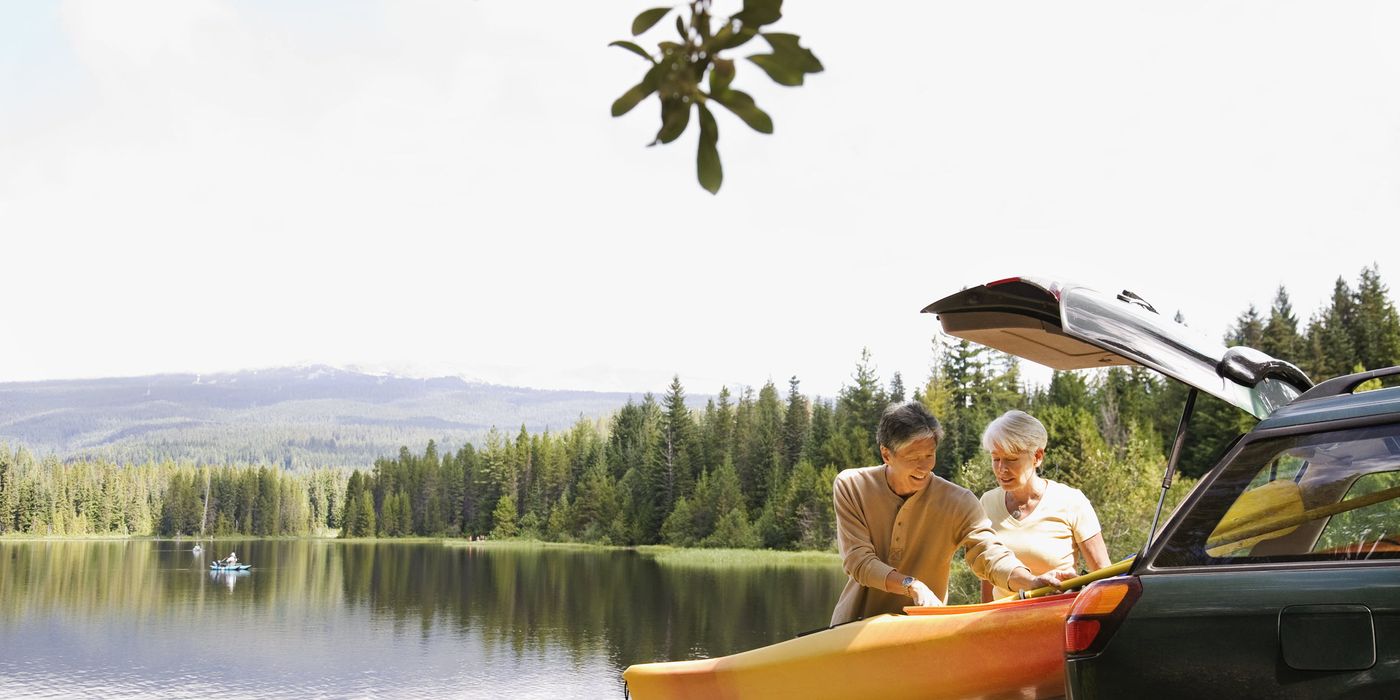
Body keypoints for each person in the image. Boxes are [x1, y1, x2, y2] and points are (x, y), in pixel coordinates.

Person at [831, 401, 1074, 625]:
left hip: (922, 632)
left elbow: (990, 554)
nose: (924, 466)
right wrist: (911, 585)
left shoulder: (959, 501)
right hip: (853, 629)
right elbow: (859, 561)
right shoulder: (852, 485)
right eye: (914, 457)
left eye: (930, 455)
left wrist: (1030, 581)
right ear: (886, 454)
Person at [978, 410, 1111, 602]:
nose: (1001, 469)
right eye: (995, 459)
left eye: (1011, 459)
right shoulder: (987, 502)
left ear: (1037, 456)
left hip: (1058, 614)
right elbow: (988, 574)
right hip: (1003, 617)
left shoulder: (1072, 501)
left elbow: (1103, 575)